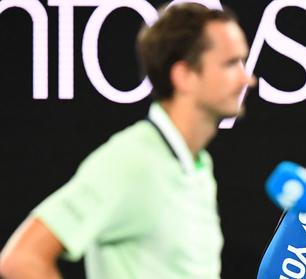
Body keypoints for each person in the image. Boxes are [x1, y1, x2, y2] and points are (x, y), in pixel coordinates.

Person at [0, 3, 255, 278]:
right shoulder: (131, 161)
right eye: (230, 64)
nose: (247, 79)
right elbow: (21, 260)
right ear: (184, 76)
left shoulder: (199, 165)